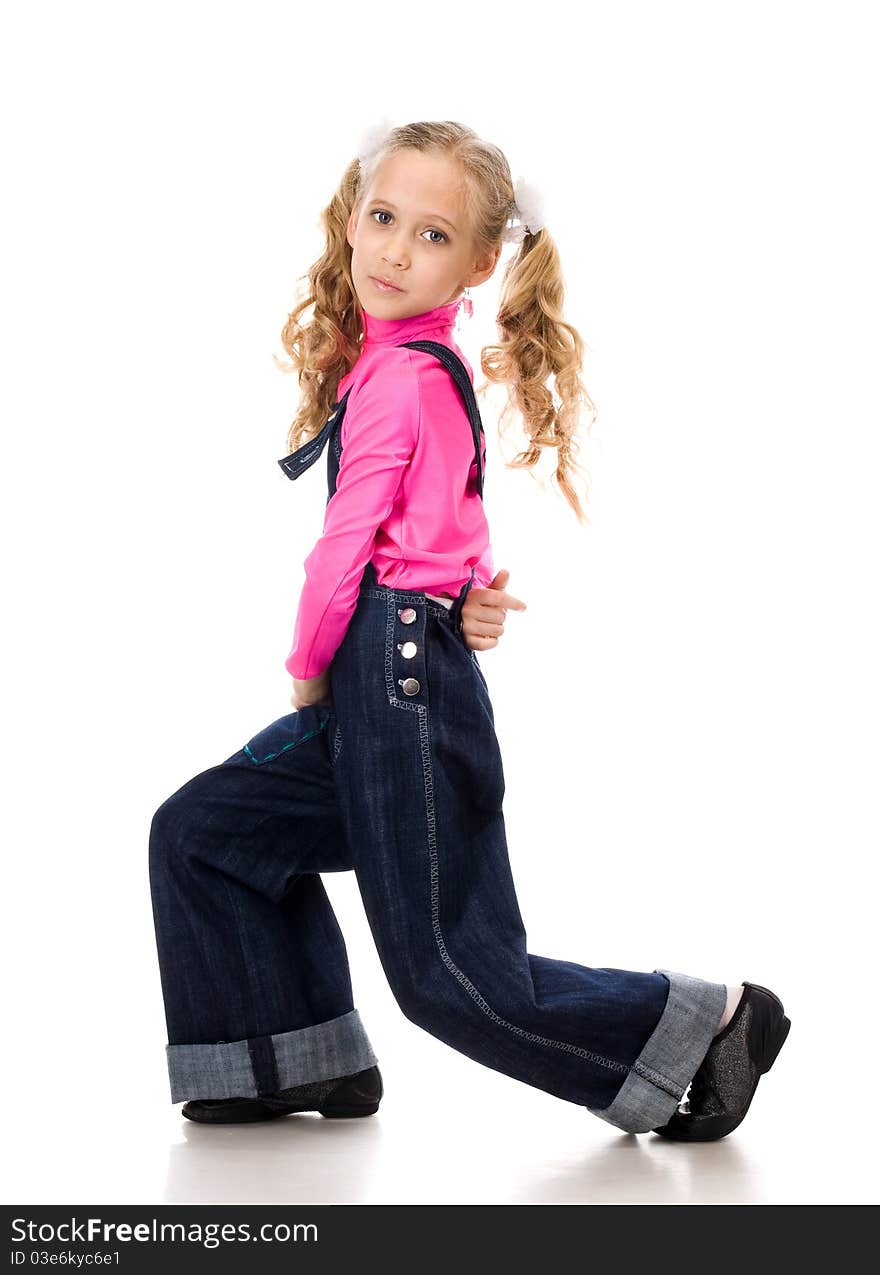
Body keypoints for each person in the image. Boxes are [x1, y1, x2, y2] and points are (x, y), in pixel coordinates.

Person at [148, 119, 790, 1142]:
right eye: (384, 218)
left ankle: (705, 1025)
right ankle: (285, 1058)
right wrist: (458, 604)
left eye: (433, 236)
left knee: (451, 974)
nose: (396, 250)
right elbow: (445, 537)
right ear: (351, 218)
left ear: (484, 260)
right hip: (408, 674)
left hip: (389, 694)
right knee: (204, 835)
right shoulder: (415, 362)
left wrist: (309, 673)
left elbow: (339, 562)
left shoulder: (403, 378)